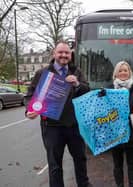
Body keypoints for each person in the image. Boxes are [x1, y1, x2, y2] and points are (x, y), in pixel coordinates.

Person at [25, 41, 92, 187]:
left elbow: (87, 90)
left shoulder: (77, 71)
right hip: (52, 127)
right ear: (54, 54)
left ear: (70, 55)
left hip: (74, 125)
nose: (64, 55)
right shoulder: (42, 73)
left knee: (80, 160)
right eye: (60, 52)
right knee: (54, 165)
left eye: (67, 53)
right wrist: (29, 109)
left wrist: (77, 84)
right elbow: (29, 95)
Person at [111, 61, 133, 187]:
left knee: (132, 164)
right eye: (120, 70)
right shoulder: (110, 89)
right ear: (116, 73)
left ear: (129, 72)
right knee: (117, 164)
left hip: (132, 131)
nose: (123, 73)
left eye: (125, 70)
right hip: (115, 133)